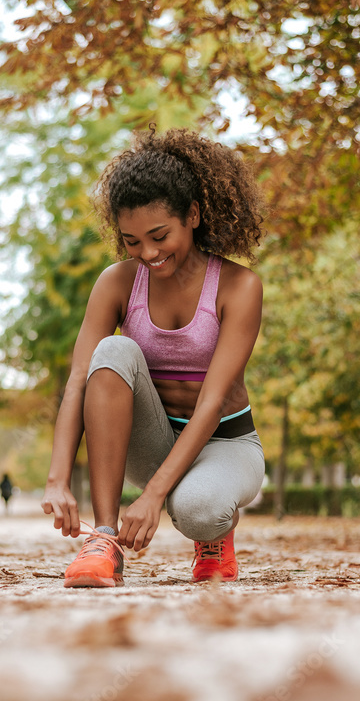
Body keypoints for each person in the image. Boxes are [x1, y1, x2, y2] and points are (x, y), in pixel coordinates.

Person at [41, 127, 265, 587]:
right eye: (131, 241)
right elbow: (80, 380)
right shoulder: (117, 283)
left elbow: (212, 401)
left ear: (194, 215)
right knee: (113, 350)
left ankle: (215, 536)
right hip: (153, 440)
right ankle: (102, 542)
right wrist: (56, 478)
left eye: (160, 235)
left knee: (198, 510)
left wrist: (154, 497)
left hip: (225, 443)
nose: (148, 253)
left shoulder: (239, 287)